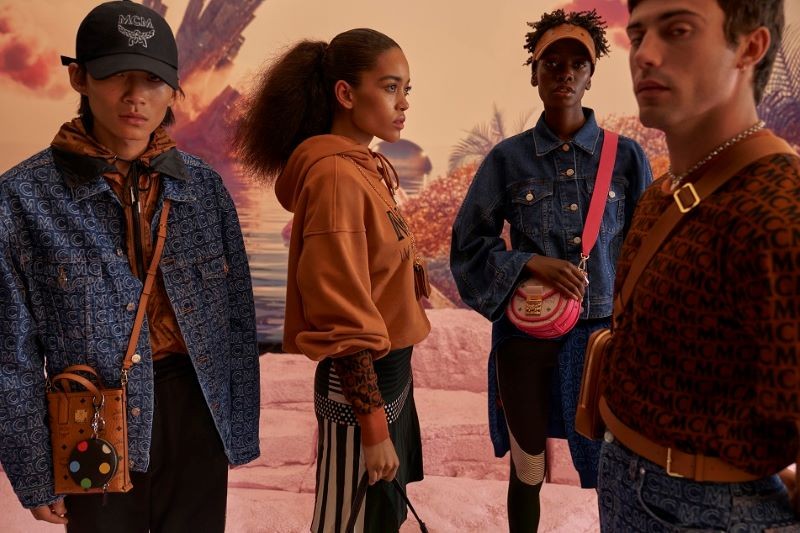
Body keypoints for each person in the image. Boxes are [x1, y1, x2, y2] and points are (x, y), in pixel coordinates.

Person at [0, 1, 260, 531]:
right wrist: (33, 471)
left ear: (173, 89)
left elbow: (235, 323)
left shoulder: (204, 189)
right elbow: (11, 353)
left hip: (197, 410)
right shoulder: (22, 198)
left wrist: (237, 432)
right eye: (117, 74)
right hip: (88, 418)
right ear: (80, 77)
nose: (136, 96)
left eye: (154, 79)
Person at [597, 0, 800, 531]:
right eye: (638, 35)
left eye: (679, 30)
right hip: (629, 481)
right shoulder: (664, 190)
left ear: (750, 47)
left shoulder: (782, 209)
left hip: (711, 510)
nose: (645, 55)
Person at [450, 9, 652, 532]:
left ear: (591, 75)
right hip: (526, 335)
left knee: (612, 467)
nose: (565, 73)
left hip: (601, 338)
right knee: (528, 468)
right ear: (534, 73)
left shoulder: (626, 158)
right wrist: (529, 263)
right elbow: (467, 246)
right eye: (552, 62)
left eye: (577, 64)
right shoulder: (507, 160)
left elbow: (647, 253)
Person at [234, 28, 430, 533]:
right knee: (348, 524)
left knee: (378, 521)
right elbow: (340, 312)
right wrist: (373, 427)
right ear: (346, 93)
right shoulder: (337, 178)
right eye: (390, 87)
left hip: (389, 379)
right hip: (362, 391)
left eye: (406, 88)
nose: (403, 102)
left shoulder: (362, 167)